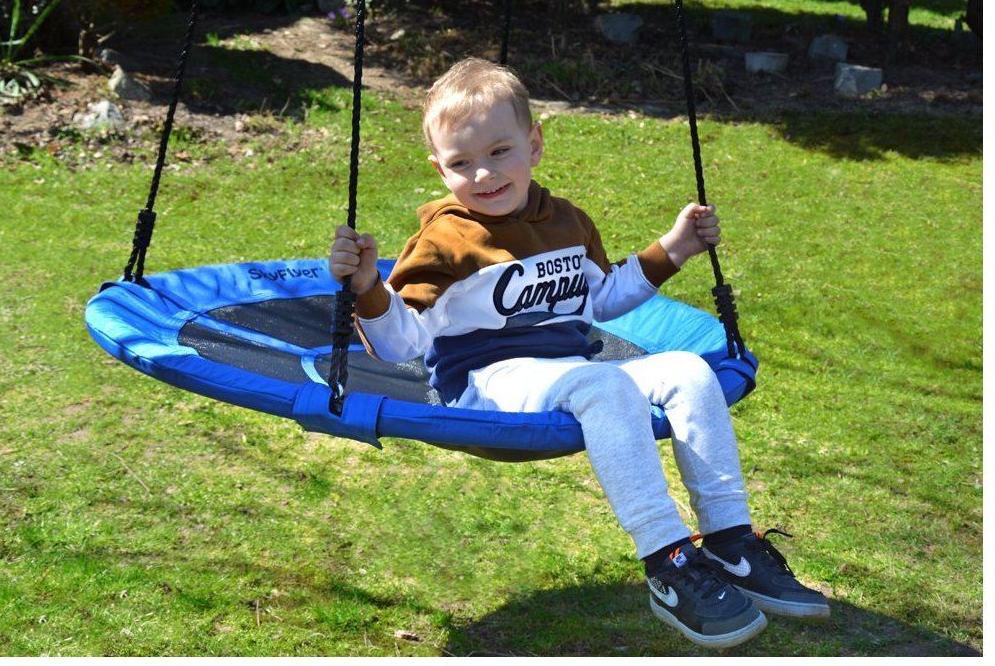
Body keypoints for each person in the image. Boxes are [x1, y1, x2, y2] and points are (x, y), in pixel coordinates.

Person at [329, 57, 828, 649]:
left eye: (500, 152)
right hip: (487, 383)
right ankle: (667, 562)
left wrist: (675, 247)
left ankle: (730, 542)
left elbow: (603, 300)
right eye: (461, 163)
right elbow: (399, 344)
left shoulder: (567, 221)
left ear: (534, 145)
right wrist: (367, 287)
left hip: (566, 373)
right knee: (605, 384)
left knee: (691, 371)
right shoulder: (444, 240)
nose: (484, 174)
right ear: (439, 169)